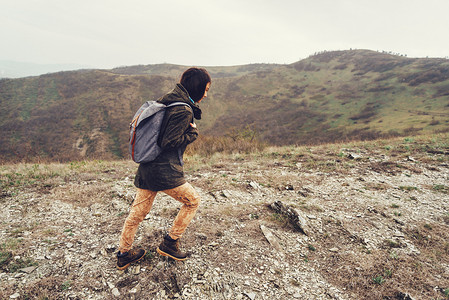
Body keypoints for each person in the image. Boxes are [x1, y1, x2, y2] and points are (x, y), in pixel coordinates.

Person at [116, 67, 211, 270]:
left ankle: (124, 253)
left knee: (137, 213)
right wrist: (192, 135)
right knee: (193, 201)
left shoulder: (166, 100)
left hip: (147, 168)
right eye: (205, 89)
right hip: (165, 171)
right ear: (197, 87)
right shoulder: (183, 110)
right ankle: (170, 243)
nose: (205, 93)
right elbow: (169, 141)